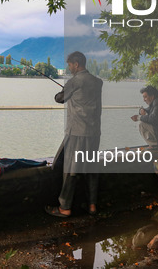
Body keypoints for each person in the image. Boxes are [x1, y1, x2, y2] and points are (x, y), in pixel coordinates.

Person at [45, 51, 103, 218]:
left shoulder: (74, 81)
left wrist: (64, 89)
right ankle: (92, 205)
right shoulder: (97, 82)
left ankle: (65, 207)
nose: (69, 68)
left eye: (70, 65)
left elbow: (59, 98)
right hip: (94, 132)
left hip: (77, 132)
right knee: (91, 168)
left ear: (76, 64)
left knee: (71, 169)